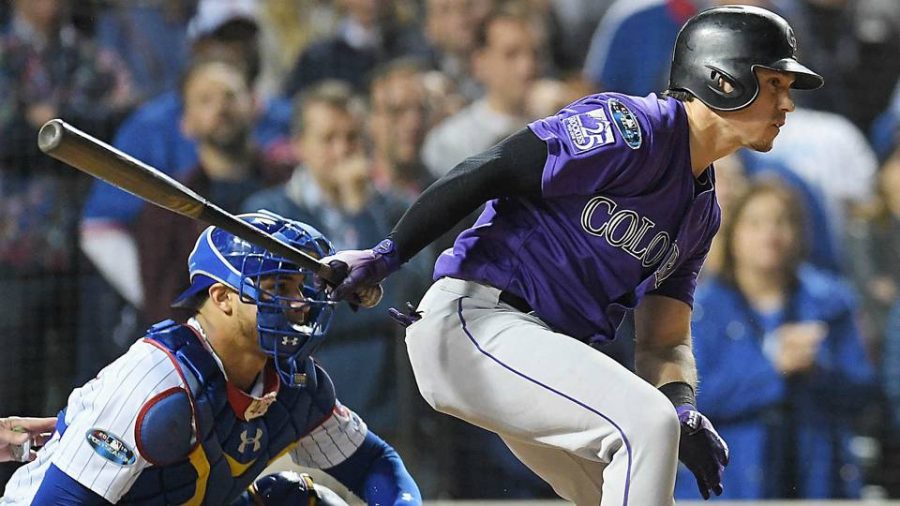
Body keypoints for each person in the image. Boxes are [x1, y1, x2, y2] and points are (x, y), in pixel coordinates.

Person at [324, 5, 824, 504]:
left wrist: (683, 407)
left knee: (625, 480)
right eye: (775, 84)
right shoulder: (634, 128)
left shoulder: (702, 213)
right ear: (724, 79)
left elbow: (664, 342)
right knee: (644, 426)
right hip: (475, 320)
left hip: (532, 347)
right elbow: (495, 167)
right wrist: (389, 252)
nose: (787, 104)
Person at [0, 211, 421, 505]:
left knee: (299, 499)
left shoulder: (294, 385)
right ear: (221, 297)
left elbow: (373, 465)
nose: (298, 302)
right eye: (277, 286)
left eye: (299, 286)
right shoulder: (158, 382)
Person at [674, 181, 877, 499]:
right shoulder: (699, 307)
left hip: (817, 474)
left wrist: (816, 369)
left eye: (782, 221)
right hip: (730, 480)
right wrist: (772, 369)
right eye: (755, 223)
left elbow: (862, 389)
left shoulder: (832, 301)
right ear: (732, 234)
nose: (770, 234)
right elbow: (692, 401)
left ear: (800, 232)